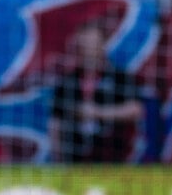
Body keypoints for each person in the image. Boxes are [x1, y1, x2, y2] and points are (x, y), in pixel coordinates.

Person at [49, 23, 144, 163]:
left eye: (93, 43)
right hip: (75, 160)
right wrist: (58, 159)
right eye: (85, 44)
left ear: (103, 45)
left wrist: (97, 112)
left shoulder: (120, 77)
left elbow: (136, 110)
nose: (89, 49)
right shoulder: (67, 82)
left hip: (113, 159)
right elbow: (56, 122)